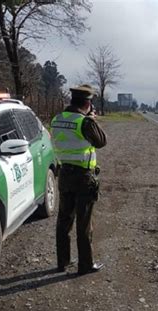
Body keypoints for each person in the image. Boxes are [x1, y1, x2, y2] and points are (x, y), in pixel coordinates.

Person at [50, 84, 107, 275]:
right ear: (87, 103)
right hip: (83, 176)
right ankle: (85, 264)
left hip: (64, 173)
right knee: (84, 223)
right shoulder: (84, 122)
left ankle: (63, 262)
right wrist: (92, 121)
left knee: (64, 220)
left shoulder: (57, 119)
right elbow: (101, 141)